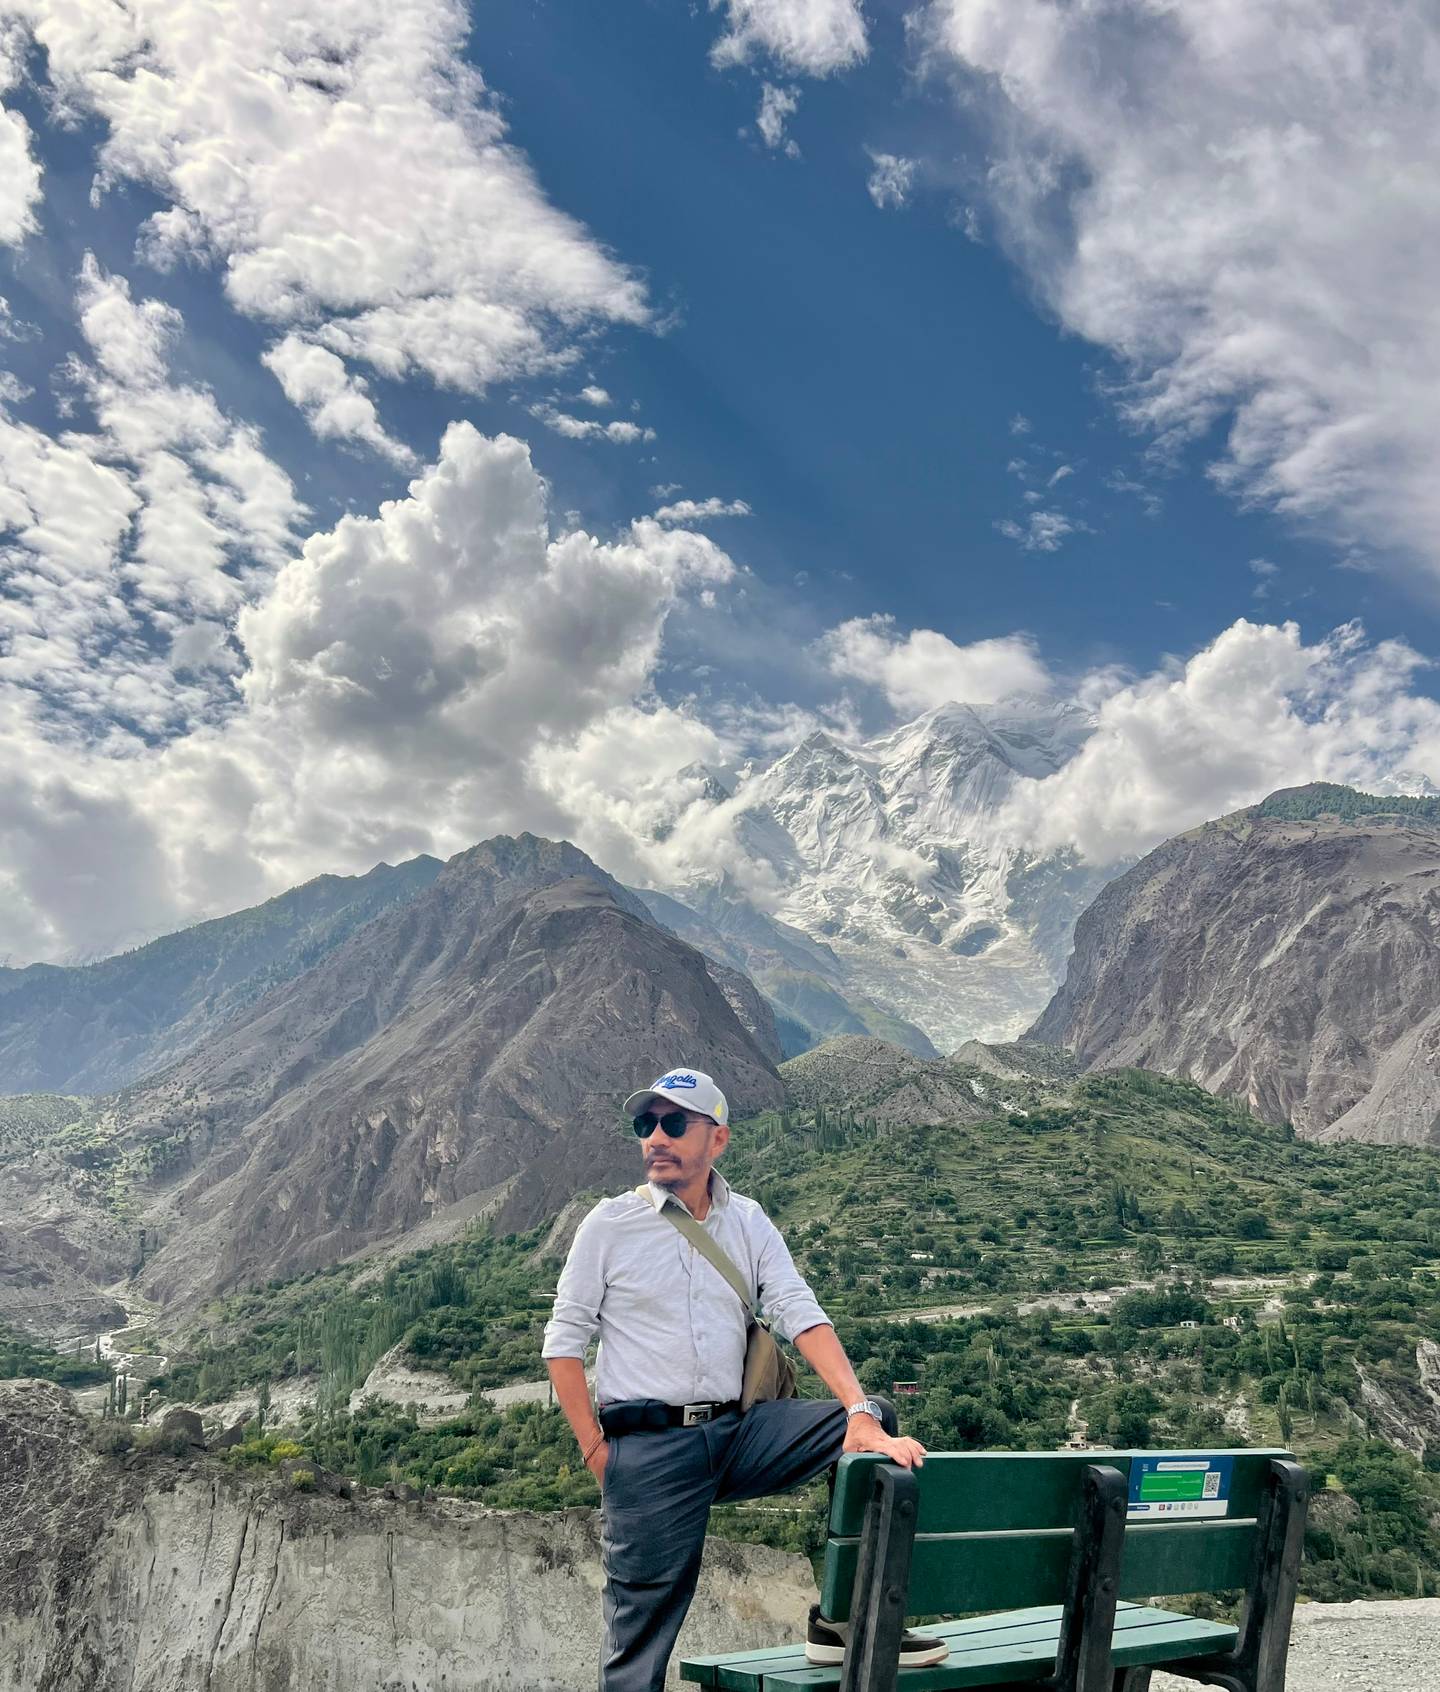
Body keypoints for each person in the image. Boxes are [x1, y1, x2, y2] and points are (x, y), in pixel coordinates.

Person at [542, 1066, 949, 1692]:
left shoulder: (748, 1220)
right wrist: (596, 1452)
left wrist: (858, 1409)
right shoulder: (608, 1225)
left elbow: (797, 1310)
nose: (655, 1137)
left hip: (738, 1434)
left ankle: (840, 1623)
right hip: (649, 1450)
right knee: (639, 1639)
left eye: (673, 1123)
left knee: (872, 1423)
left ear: (717, 1139)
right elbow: (563, 1344)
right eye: (645, 1124)